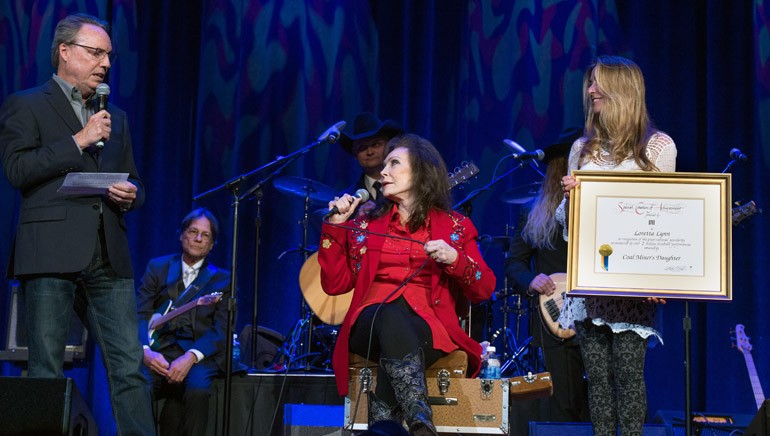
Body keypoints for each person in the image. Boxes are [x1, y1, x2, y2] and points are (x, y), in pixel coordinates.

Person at [0, 13, 154, 435]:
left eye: (109, 55)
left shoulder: (115, 116)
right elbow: (17, 169)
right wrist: (78, 141)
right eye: (96, 52)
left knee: (128, 368)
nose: (105, 63)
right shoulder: (26, 103)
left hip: (107, 255)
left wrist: (132, 195)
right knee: (45, 369)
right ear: (65, 52)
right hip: (49, 252)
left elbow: (135, 179)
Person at [319, 133, 496, 434]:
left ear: (421, 171)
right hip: (369, 324)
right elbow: (334, 285)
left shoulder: (455, 227)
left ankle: (385, 425)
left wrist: (455, 258)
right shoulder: (364, 226)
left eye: (394, 163)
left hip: (430, 328)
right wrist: (336, 228)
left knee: (399, 338)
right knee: (390, 312)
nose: (383, 171)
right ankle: (419, 415)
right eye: (384, 165)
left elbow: (484, 288)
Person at [557, 55, 677, 436]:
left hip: (633, 285)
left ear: (623, 90)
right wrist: (571, 200)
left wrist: (659, 276)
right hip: (591, 281)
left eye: (599, 82)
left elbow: (664, 218)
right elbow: (566, 226)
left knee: (627, 377)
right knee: (599, 383)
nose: (591, 90)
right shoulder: (581, 149)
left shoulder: (658, 148)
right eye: (590, 82)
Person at [505, 127, 590, 429]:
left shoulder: (596, 209)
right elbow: (515, 262)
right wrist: (531, 280)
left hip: (599, 312)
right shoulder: (535, 213)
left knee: (601, 394)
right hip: (558, 317)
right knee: (565, 399)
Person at [137, 208, 233, 435]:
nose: (198, 239)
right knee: (137, 387)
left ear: (212, 245)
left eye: (205, 235)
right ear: (181, 235)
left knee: (198, 389)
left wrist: (191, 357)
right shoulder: (157, 267)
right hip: (158, 352)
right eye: (193, 231)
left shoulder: (222, 279)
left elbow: (221, 329)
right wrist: (145, 352)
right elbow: (140, 314)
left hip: (196, 355)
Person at [338, 112, 403, 214]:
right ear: (355, 153)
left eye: (376, 144)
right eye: (362, 147)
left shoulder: (405, 188)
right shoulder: (346, 199)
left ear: (388, 146)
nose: (370, 152)